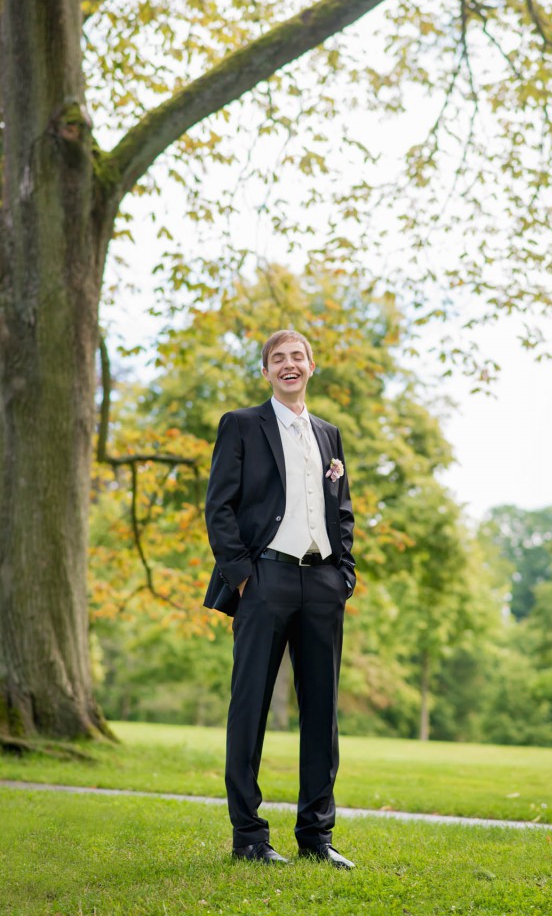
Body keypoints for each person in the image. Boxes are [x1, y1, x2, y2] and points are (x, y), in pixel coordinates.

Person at [204, 329, 356, 868]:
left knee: (322, 714)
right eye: (277, 359)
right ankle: (249, 837)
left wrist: (344, 575)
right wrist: (242, 576)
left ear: (312, 366)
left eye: (297, 357)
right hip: (263, 581)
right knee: (250, 709)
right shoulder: (242, 425)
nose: (288, 365)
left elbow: (341, 511)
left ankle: (316, 838)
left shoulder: (329, 434)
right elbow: (218, 507)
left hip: (322, 585)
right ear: (266, 372)